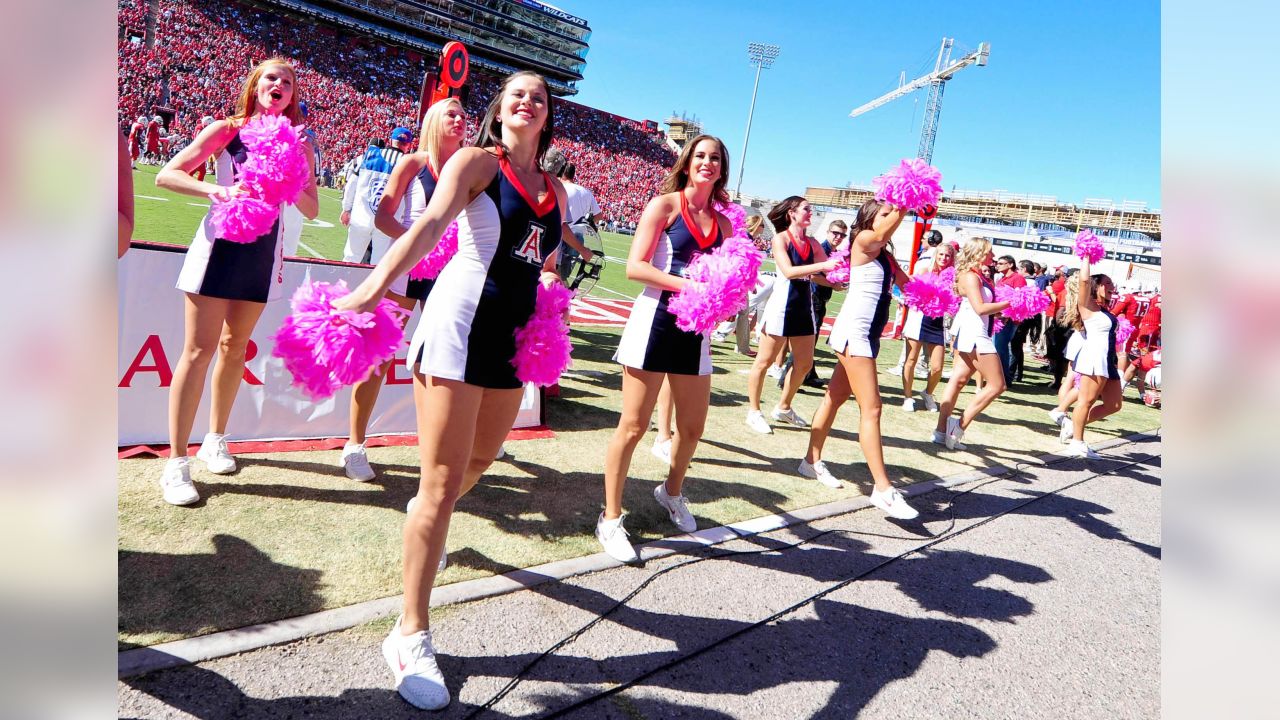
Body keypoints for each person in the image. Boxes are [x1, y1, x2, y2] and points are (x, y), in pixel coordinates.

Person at [333, 71, 568, 710]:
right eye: (517, 93)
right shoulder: (475, 163)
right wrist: (373, 287)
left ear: (547, 117)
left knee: (482, 461)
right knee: (438, 484)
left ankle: (421, 529)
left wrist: (550, 299)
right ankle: (409, 633)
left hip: (509, 339)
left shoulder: (556, 191)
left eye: (539, 97)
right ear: (501, 109)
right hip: (459, 323)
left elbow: (537, 259)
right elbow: (429, 227)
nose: (528, 101)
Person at [154, 58, 318, 506]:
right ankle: (176, 462)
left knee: (234, 347)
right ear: (255, 85)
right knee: (198, 350)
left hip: (263, 256)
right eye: (272, 78)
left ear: (292, 95)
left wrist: (293, 177)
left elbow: (312, 209)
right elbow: (167, 173)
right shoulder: (227, 130)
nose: (279, 85)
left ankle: (216, 438)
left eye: (287, 82)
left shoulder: (298, 143)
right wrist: (218, 191)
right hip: (218, 250)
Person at [601, 134, 734, 562]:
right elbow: (635, 266)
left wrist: (726, 300)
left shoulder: (726, 224)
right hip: (654, 323)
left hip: (695, 334)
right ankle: (610, 517)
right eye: (700, 156)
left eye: (715, 158)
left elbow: (727, 279)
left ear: (722, 168)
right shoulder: (665, 205)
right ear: (687, 161)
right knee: (633, 426)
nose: (707, 163)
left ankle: (670, 491)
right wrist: (689, 285)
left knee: (692, 429)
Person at [334, 97, 469, 482]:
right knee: (377, 355)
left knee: (447, 360)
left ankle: (449, 444)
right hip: (405, 272)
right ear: (433, 121)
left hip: (449, 276)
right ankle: (354, 445)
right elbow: (383, 215)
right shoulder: (414, 163)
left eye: (462, 115)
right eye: (451, 114)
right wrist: (419, 239)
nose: (459, 120)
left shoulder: (470, 168)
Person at [799, 199, 919, 519]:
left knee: (834, 397)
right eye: (885, 213)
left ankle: (810, 461)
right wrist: (906, 205)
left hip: (867, 334)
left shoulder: (887, 256)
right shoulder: (864, 240)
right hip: (856, 333)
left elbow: (909, 286)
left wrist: (944, 292)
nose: (891, 216)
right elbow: (882, 232)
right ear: (869, 219)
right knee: (873, 407)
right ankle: (882, 489)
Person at [744, 196, 840, 434]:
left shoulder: (813, 243)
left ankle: (784, 406)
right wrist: (822, 268)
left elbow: (822, 271)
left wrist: (835, 281)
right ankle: (754, 412)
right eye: (807, 209)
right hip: (781, 308)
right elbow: (788, 272)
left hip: (803, 308)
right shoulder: (781, 239)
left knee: (805, 363)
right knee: (764, 362)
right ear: (792, 213)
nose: (811, 213)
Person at [932, 238, 1012, 450]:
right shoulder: (970, 276)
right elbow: (980, 308)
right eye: (990, 252)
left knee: (958, 380)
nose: (993, 257)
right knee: (997, 385)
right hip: (975, 334)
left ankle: (941, 431)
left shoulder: (976, 275)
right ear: (978, 253)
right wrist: (1011, 303)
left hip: (971, 332)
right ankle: (957, 426)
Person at [1055, 258, 1124, 459]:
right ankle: (1077, 443)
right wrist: (1086, 257)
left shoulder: (1103, 310)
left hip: (1107, 360)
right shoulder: (1087, 306)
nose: (1112, 287)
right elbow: (1084, 281)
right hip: (1094, 358)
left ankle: (1071, 425)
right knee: (1086, 401)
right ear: (1097, 286)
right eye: (1108, 283)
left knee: (1114, 405)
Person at [341, 127, 414, 264]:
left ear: (391, 140)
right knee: (379, 265)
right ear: (409, 145)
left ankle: (345, 285)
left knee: (350, 259)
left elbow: (352, 184)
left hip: (361, 217)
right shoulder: (409, 163)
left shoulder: (369, 155)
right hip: (388, 222)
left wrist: (346, 208)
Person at [900, 241, 957, 411]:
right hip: (918, 319)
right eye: (941, 254)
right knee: (911, 360)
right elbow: (909, 290)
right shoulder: (924, 271)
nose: (944, 258)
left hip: (937, 323)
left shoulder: (953, 277)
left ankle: (928, 393)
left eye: (947, 255)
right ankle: (908, 397)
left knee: (937, 367)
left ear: (951, 258)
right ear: (935, 255)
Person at [992, 254, 1026, 380]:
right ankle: (999, 375)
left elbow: (1019, 299)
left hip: (1009, 319)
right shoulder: (1001, 279)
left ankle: (1005, 377)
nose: (997, 265)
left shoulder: (1017, 278)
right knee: (997, 346)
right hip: (1000, 317)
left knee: (1001, 347)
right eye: (998, 263)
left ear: (1010, 264)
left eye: (1001, 263)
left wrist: (1007, 315)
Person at [1007, 259, 1037, 382]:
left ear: (1024, 269)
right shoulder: (1032, 282)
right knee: (1017, 346)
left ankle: (1010, 373)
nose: (1017, 271)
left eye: (1018, 269)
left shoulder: (1027, 283)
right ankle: (1017, 373)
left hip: (1021, 318)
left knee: (1014, 346)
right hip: (1025, 318)